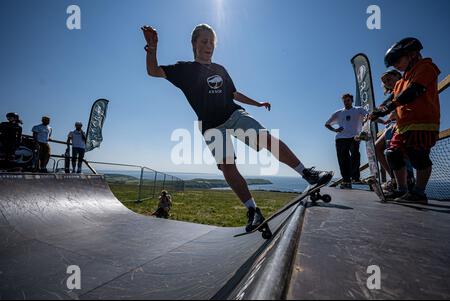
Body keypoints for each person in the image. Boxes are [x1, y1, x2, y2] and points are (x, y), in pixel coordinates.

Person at [142, 23, 332, 232]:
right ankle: (253, 210)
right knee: (227, 165)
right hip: (211, 126)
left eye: (212, 42)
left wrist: (257, 103)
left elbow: (233, 93)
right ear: (194, 43)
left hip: (233, 115)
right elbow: (153, 71)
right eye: (204, 41)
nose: (209, 46)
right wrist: (152, 48)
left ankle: (307, 173)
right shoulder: (184, 69)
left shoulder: (220, 69)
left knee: (265, 138)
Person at [370, 37, 441, 204]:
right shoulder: (401, 81)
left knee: (418, 157)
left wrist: (386, 108)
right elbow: (391, 100)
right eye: (393, 63)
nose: (395, 65)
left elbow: (413, 92)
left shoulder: (426, 67)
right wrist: (377, 111)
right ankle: (401, 189)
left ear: (412, 54)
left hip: (422, 123)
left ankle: (419, 193)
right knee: (392, 153)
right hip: (403, 126)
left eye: (397, 60)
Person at [325, 94, 368, 189]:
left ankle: (355, 178)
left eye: (348, 100)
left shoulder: (358, 109)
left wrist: (365, 122)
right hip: (341, 138)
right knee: (343, 159)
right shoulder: (338, 113)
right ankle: (346, 180)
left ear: (351, 101)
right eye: (344, 101)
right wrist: (335, 130)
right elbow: (327, 124)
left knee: (355, 155)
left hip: (354, 137)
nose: (346, 102)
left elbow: (367, 116)